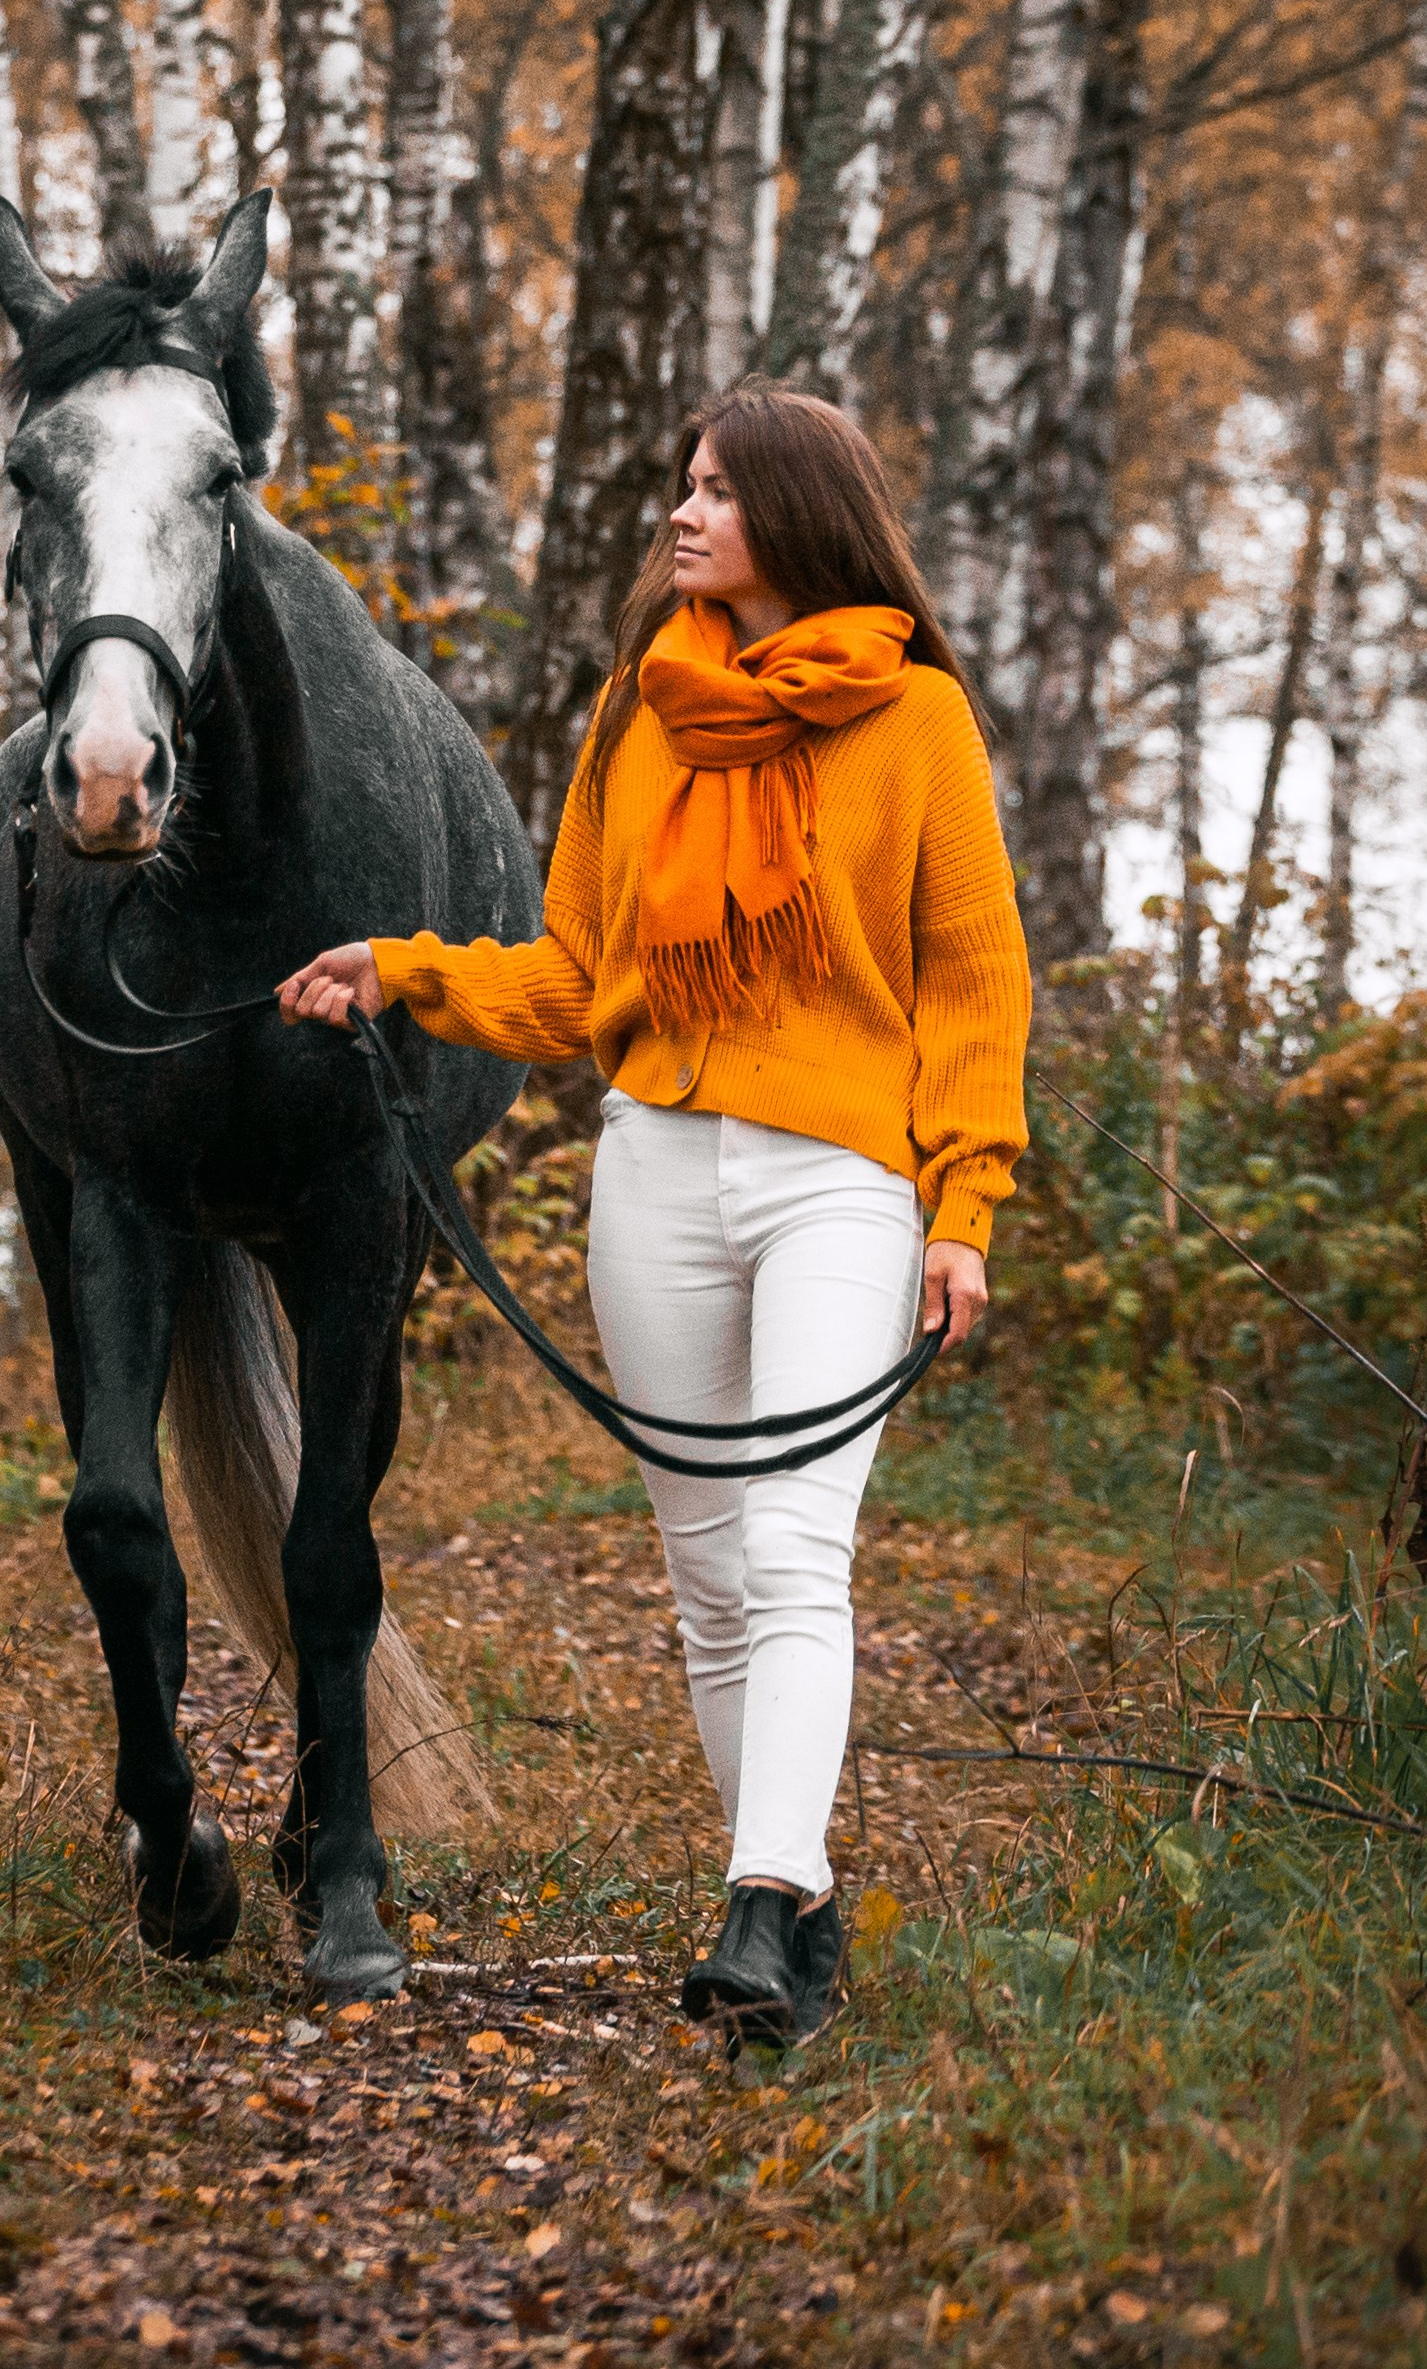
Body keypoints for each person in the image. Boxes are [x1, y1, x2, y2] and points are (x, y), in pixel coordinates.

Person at [277, 382, 1030, 2045]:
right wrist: (397, 970)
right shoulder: (637, 714)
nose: (682, 514)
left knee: (790, 1542)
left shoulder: (913, 722)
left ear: (799, 514)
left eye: (714, 490)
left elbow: (974, 978)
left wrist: (962, 1205)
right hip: (656, 1169)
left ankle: (757, 1899)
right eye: (680, 486)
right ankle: (799, 1915)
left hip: (842, 1173)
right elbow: (570, 974)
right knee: (704, 1579)